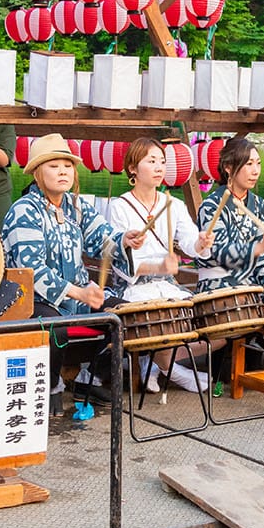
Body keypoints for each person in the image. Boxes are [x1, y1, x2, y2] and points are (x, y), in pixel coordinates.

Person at [1, 133, 127, 403]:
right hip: (32, 300)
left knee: (126, 315)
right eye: (53, 165)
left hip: (78, 296)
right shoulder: (24, 210)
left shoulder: (76, 205)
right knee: (54, 328)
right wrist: (78, 293)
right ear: (36, 172)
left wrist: (124, 240)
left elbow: (103, 241)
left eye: (68, 166)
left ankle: (88, 377)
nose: (63, 172)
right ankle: (51, 384)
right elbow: (30, 269)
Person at [102, 136, 217, 393]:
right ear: (133, 168)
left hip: (167, 286)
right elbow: (119, 258)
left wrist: (200, 242)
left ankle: (157, 362)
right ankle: (169, 368)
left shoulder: (172, 204)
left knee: (210, 323)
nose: (159, 167)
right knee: (163, 316)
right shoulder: (119, 207)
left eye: (162, 162)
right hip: (133, 290)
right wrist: (158, 266)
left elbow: (189, 242)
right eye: (151, 161)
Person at [195, 135, 264, 293]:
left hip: (252, 284)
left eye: (258, 164)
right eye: (249, 164)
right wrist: (259, 247)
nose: (255, 171)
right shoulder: (211, 207)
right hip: (217, 285)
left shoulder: (259, 205)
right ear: (228, 167)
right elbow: (221, 253)